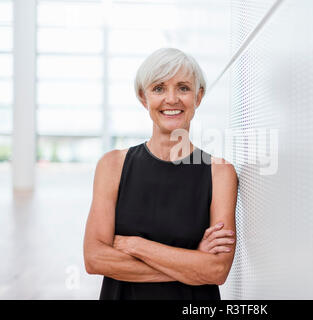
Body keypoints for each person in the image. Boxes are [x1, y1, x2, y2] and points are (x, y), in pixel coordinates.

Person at [83, 47, 238, 300]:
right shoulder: (112, 165)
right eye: (159, 88)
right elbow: (94, 258)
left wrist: (136, 246)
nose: (172, 99)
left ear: (198, 97)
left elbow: (217, 270)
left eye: (183, 88)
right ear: (143, 98)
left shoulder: (220, 173)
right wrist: (192, 263)